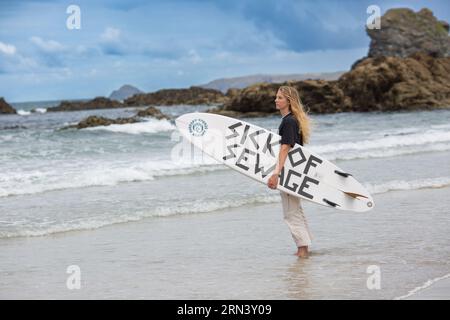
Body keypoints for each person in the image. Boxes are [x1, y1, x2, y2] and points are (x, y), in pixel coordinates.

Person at [267, 86, 313, 258]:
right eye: (276, 97)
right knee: (295, 209)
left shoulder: (288, 121)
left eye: (279, 97)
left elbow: (285, 148)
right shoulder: (294, 120)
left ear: (288, 101)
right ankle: (304, 247)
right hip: (294, 171)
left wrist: (276, 173)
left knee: (290, 212)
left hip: (287, 172)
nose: (276, 100)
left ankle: (302, 249)